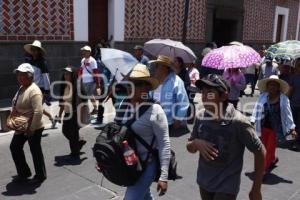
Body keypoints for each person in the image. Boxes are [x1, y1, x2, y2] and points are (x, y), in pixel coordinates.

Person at [97, 64, 171, 199]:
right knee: (144, 195)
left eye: (136, 83)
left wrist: (164, 176)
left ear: (147, 87)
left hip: (146, 165)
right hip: (128, 164)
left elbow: (164, 144)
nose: (131, 86)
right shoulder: (123, 105)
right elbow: (114, 134)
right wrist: (103, 159)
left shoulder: (155, 110)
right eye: (129, 83)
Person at [187, 74, 266, 200]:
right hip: (204, 182)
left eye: (210, 92)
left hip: (226, 187)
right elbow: (190, 147)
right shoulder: (201, 116)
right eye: (203, 92)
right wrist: (196, 143)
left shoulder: (239, 122)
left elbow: (260, 151)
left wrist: (256, 189)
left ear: (224, 96)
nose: (204, 97)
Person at [251, 75, 297, 174]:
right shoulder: (263, 96)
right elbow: (256, 109)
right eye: (270, 85)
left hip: (275, 129)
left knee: (269, 148)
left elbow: (288, 114)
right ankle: (273, 159)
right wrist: (252, 120)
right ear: (267, 87)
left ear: (278, 87)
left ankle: (263, 169)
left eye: (274, 85)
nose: (272, 87)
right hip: (263, 126)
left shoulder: (283, 99)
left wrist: (292, 128)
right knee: (262, 147)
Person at [10, 63, 47, 183]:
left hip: (34, 126)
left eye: (23, 75)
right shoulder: (21, 88)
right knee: (15, 147)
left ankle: (40, 175)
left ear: (30, 76)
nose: (19, 77)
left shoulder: (34, 90)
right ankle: (24, 172)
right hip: (22, 125)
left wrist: (31, 129)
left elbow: (38, 111)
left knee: (35, 150)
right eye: (18, 74)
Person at [149, 55, 189, 132]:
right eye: (156, 65)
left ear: (165, 68)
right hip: (153, 120)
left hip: (169, 122)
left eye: (157, 66)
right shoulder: (154, 80)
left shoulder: (176, 81)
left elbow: (183, 102)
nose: (155, 68)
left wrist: (178, 119)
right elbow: (149, 96)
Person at [24, 40, 56, 128]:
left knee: (36, 109)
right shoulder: (29, 62)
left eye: (36, 50)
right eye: (33, 50)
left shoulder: (42, 62)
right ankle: (51, 118)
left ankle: (35, 127)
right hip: (31, 88)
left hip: (40, 89)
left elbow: (46, 77)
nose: (34, 52)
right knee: (36, 108)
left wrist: (47, 91)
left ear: (39, 51)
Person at [57, 67, 87, 158]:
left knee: (72, 133)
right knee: (65, 131)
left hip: (75, 113)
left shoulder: (77, 87)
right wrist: (59, 114)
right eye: (65, 74)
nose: (66, 76)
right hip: (67, 113)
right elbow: (62, 102)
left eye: (68, 74)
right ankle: (78, 142)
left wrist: (80, 118)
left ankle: (75, 153)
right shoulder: (64, 86)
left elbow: (83, 103)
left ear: (73, 75)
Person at [78, 45, 101, 115]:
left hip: (90, 81)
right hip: (84, 81)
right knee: (88, 95)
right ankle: (94, 108)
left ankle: (94, 109)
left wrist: (97, 84)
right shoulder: (83, 60)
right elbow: (81, 70)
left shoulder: (93, 61)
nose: (83, 53)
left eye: (85, 51)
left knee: (88, 95)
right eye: (83, 51)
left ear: (89, 52)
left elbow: (95, 72)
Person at [289, 59, 300, 149]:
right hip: (294, 104)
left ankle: (297, 142)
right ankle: (294, 141)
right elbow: (290, 91)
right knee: (294, 124)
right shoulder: (294, 77)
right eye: (298, 65)